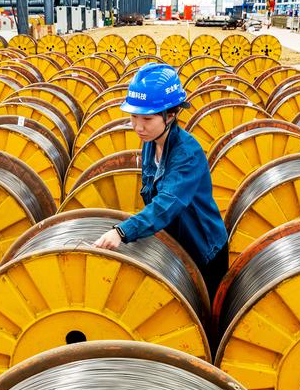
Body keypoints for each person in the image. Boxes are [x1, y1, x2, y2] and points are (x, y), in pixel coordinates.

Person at [93, 63, 229, 299]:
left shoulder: (187, 153)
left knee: (202, 319)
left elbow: (167, 203)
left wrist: (123, 232)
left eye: (146, 119)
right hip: (174, 246)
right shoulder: (151, 141)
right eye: (134, 117)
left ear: (171, 114)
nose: (137, 127)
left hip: (202, 250)